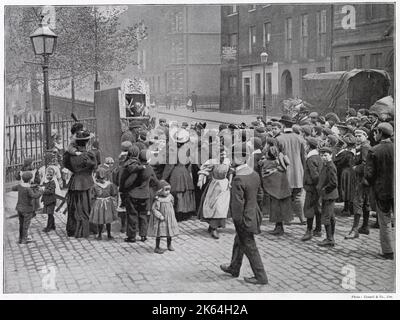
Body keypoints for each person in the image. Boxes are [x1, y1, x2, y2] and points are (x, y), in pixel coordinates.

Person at [220, 143, 268, 285]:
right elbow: (260, 195)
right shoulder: (253, 174)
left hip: (244, 219)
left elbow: (237, 205)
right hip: (254, 214)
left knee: (249, 245)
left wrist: (237, 221)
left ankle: (261, 276)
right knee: (239, 241)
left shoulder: (238, 178)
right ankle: (234, 267)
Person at [365, 123, 394, 260]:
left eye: (376, 132)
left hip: (382, 191)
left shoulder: (374, 150)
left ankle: (388, 251)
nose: (374, 135)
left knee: (385, 221)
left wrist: (369, 184)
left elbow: (369, 174)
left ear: (381, 133)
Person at [63, 129, 97, 238]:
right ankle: (89, 229)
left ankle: (74, 229)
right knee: (87, 205)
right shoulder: (90, 155)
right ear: (87, 142)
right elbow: (94, 166)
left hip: (75, 182)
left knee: (74, 206)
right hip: (87, 182)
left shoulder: (69, 155)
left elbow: (66, 164)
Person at [276, 115, 306, 224]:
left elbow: (276, 158)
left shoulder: (279, 139)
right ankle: (302, 219)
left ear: (283, 125)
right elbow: (304, 158)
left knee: (285, 197)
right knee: (298, 196)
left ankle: (287, 219)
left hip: (284, 173)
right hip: (298, 173)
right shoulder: (300, 139)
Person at [197, 146, 232, 239]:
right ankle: (212, 226)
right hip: (215, 185)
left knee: (221, 207)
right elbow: (204, 170)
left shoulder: (227, 161)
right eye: (220, 154)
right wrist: (201, 180)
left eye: (224, 154)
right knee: (213, 206)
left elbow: (231, 171)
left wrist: (230, 182)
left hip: (224, 186)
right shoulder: (212, 162)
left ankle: (214, 227)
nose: (222, 156)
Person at [260, 137, 293, 236]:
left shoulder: (271, 152)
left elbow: (266, 163)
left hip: (275, 182)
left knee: (276, 205)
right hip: (282, 181)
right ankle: (279, 226)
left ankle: (279, 227)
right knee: (281, 204)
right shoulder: (280, 153)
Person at [345, 127, 371, 239]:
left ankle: (354, 229)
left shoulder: (365, 147)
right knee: (365, 203)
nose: (358, 138)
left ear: (366, 136)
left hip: (362, 179)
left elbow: (365, 164)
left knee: (358, 202)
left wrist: (355, 168)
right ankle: (365, 227)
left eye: (360, 136)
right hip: (365, 180)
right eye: (357, 135)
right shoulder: (361, 146)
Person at [148, 180, 180, 254]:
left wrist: (171, 213)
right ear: (160, 190)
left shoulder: (170, 197)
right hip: (161, 219)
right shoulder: (158, 199)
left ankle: (169, 245)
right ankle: (157, 247)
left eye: (169, 190)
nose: (168, 192)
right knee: (159, 233)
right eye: (166, 190)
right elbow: (154, 209)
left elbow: (172, 203)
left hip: (169, 218)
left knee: (169, 231)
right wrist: (160, 215)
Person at [301, 137, 323, 241]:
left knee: (309, 208)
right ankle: (318, 229)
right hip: (317, 188)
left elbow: (315, 175)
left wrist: (313, 185)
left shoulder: (311, 158)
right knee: (317, 208)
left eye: (306, 145)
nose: (305, 147)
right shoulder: (318, 156)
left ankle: (309, 231)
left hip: (312, 188)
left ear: (309, 146)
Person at [12, 171, 43, 244]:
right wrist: (41, 191)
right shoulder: (28, 189)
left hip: (19, 208)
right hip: (27, 210)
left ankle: (20, 238)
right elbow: (34, 196)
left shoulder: (20, 186)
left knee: (21, 224)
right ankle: (24, 240)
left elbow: (14, 188)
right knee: (26, 225)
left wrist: (31, 186)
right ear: (29, 180)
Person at [317, 147, 339, 247]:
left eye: (325, 155)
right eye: (322, 155)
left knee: (326, 217)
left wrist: (325, 189)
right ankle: (330, 237)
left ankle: (330, 239)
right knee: (331, 217)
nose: (323, 157)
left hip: (329, 195)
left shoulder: (330, 167)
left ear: (331, 155)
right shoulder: (326, 165)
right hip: (328, 195)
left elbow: (334, 183)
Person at [89, 167, 118, 240]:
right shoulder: (109, 184)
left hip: (99, 202)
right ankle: (109, 234)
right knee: (108, 219)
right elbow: (113, 193)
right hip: (108, 202)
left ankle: (99, 235)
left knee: (100, 219)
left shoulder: (95, 186)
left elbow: (92, 196)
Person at [41, 167, 57, 233]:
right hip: (47, 201)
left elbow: (51, 191)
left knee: (50, 214)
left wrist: (44, 190)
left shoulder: (53, 183)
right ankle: (53, 225)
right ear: (46, 175)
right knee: (49, 214)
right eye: (48, 175)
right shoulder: (46, 182)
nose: (49, 176)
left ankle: (49, 227)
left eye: (51, 175)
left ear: (53, 176)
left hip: (51, 201)